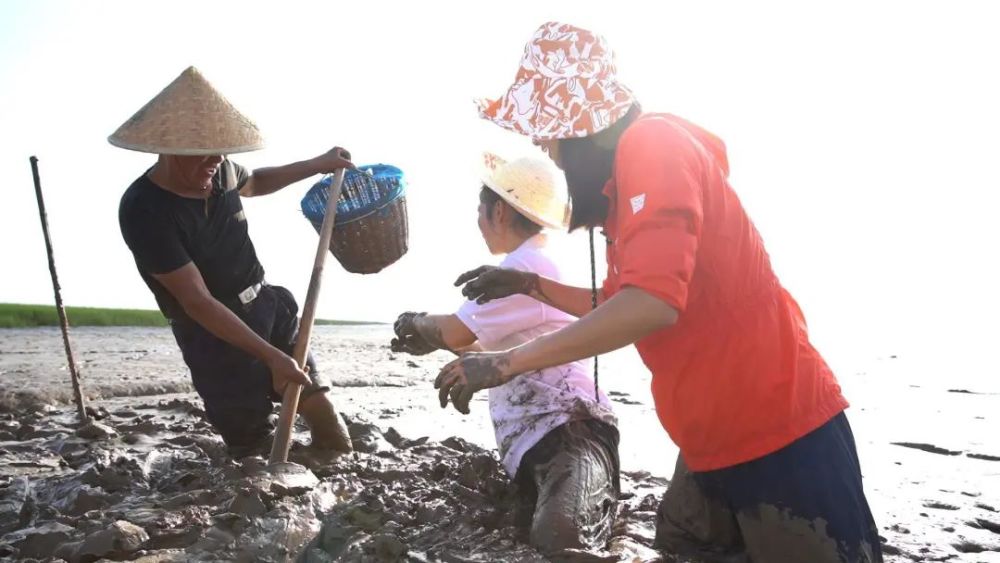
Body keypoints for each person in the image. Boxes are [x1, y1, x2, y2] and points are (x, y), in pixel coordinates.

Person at [436, 22, 883, 562]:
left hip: (778, 431)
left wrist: (505, 363)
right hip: (707, 444)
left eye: (546, 130)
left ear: (579, 125)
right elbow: (620, 300)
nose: (543, 146)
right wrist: (533, 285)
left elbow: (650, 304)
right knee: (677, 543)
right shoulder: (625, 195)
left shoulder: (653, 143)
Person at [112, 66, 352, 456]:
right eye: (203, 153)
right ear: (170, 149)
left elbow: (255, 182)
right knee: (254, 449)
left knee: (329, 428)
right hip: (214, 336)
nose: (216, 160)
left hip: (267, 305)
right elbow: (197, 301)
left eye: (220, 150)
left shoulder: (221, 170)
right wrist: (271, 358)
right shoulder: (145, 209)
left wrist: (316, 164)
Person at [391, 153, 619, 554]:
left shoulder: (526, 263)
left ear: (498, 210)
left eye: (479, 211)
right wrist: (441, 340)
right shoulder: (529, 262)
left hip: (571, 432)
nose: (478, 222)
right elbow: (481, 345)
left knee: (561, 541)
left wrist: (414, 321)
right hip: (542, 441)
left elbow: (457, 329)